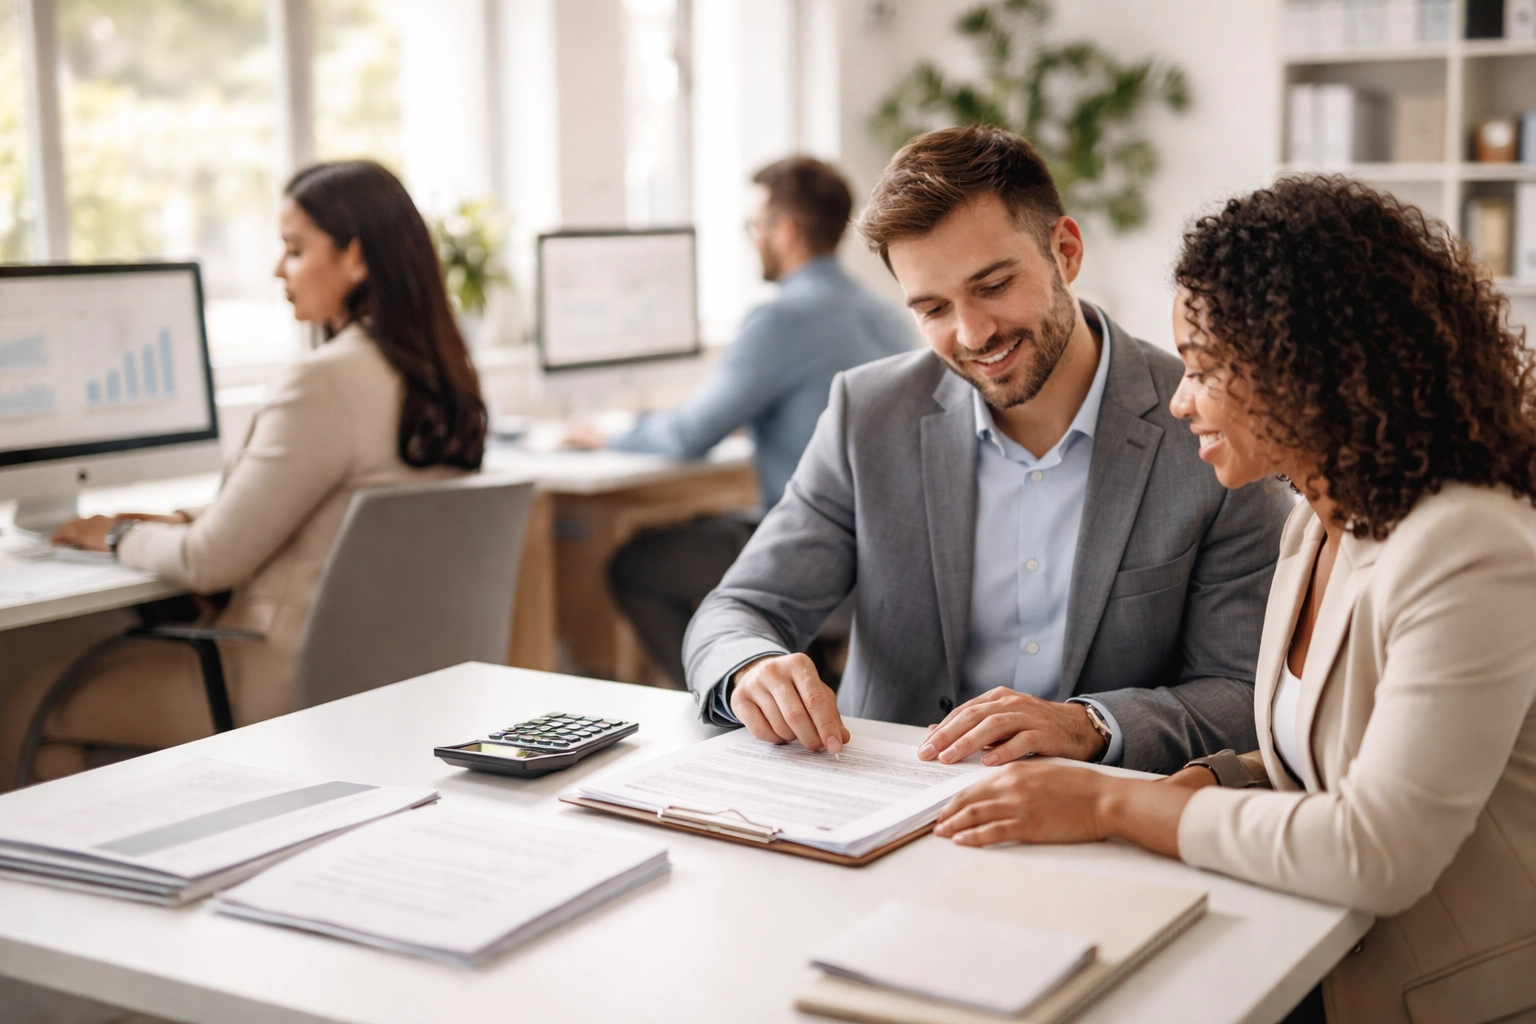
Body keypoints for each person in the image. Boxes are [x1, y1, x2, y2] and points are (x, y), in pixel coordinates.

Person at [934, 176, 1536, 1024]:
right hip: (1316, 956)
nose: (1181, 400)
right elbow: (1325, 764)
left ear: (1316, 370)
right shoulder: (1321, 523)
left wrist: (1111, 802)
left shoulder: (1468, 546)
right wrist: (1207, 780)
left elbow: (1377, 850)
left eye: (1205, 369)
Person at [682, 126, 1294, 776]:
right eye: (933, 308)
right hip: (884, 805)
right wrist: (750, 667)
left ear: (1066, 251)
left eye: (994, 285)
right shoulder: (869, 416)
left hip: (1093, 813)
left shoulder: (1211, 426)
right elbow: (738, 610)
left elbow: (1240, 691)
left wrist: (1089, 724)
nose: (973, 333)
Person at [7, 160, 487, 782]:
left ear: (357, 258)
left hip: (273, 685)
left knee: (28, 701)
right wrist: (179, 518)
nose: (275, 269)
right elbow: (324, 505)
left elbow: (212, 563)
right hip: (390, 684)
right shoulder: (441, 375)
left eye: (293, 249)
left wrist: (117, 536)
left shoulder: (324, 382)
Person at [570, 156, 913, 687]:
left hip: (821, 553)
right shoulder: (887, 312)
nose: (753, 239)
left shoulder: (782, 318)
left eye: (754, 227)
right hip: (891, 557)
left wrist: (609, 435)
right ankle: (802, 684)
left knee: (635, 564)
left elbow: (689, 434)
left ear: (785, 229)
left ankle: (728, 705)